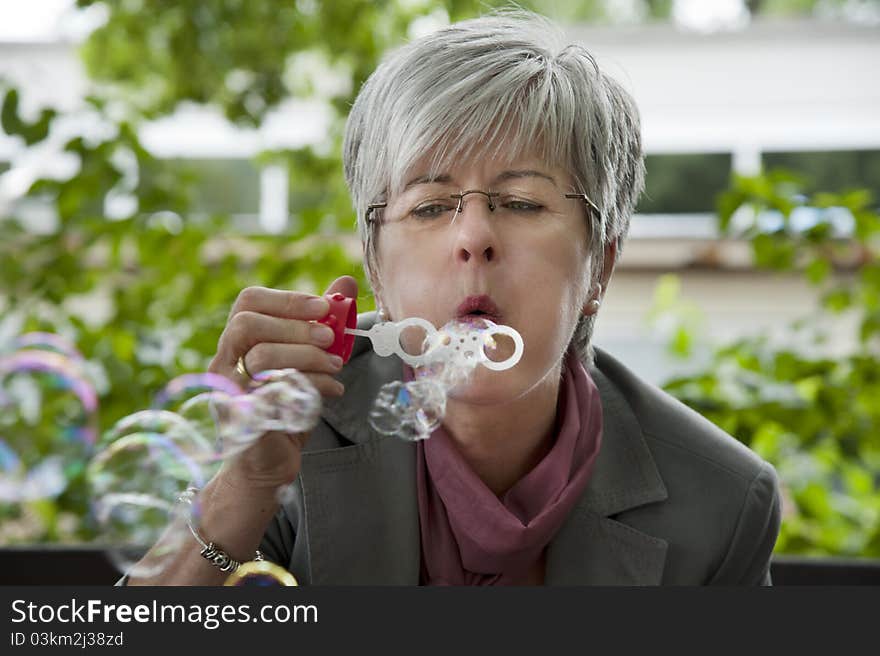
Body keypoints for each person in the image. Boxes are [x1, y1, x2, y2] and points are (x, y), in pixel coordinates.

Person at [125, 10, 781, 586]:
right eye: (431, 205)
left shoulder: (722, 502)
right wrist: (244, 488)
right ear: (376, 270)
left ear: (600, 264)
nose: (474, 236)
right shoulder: (293, 427)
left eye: (522, 202)